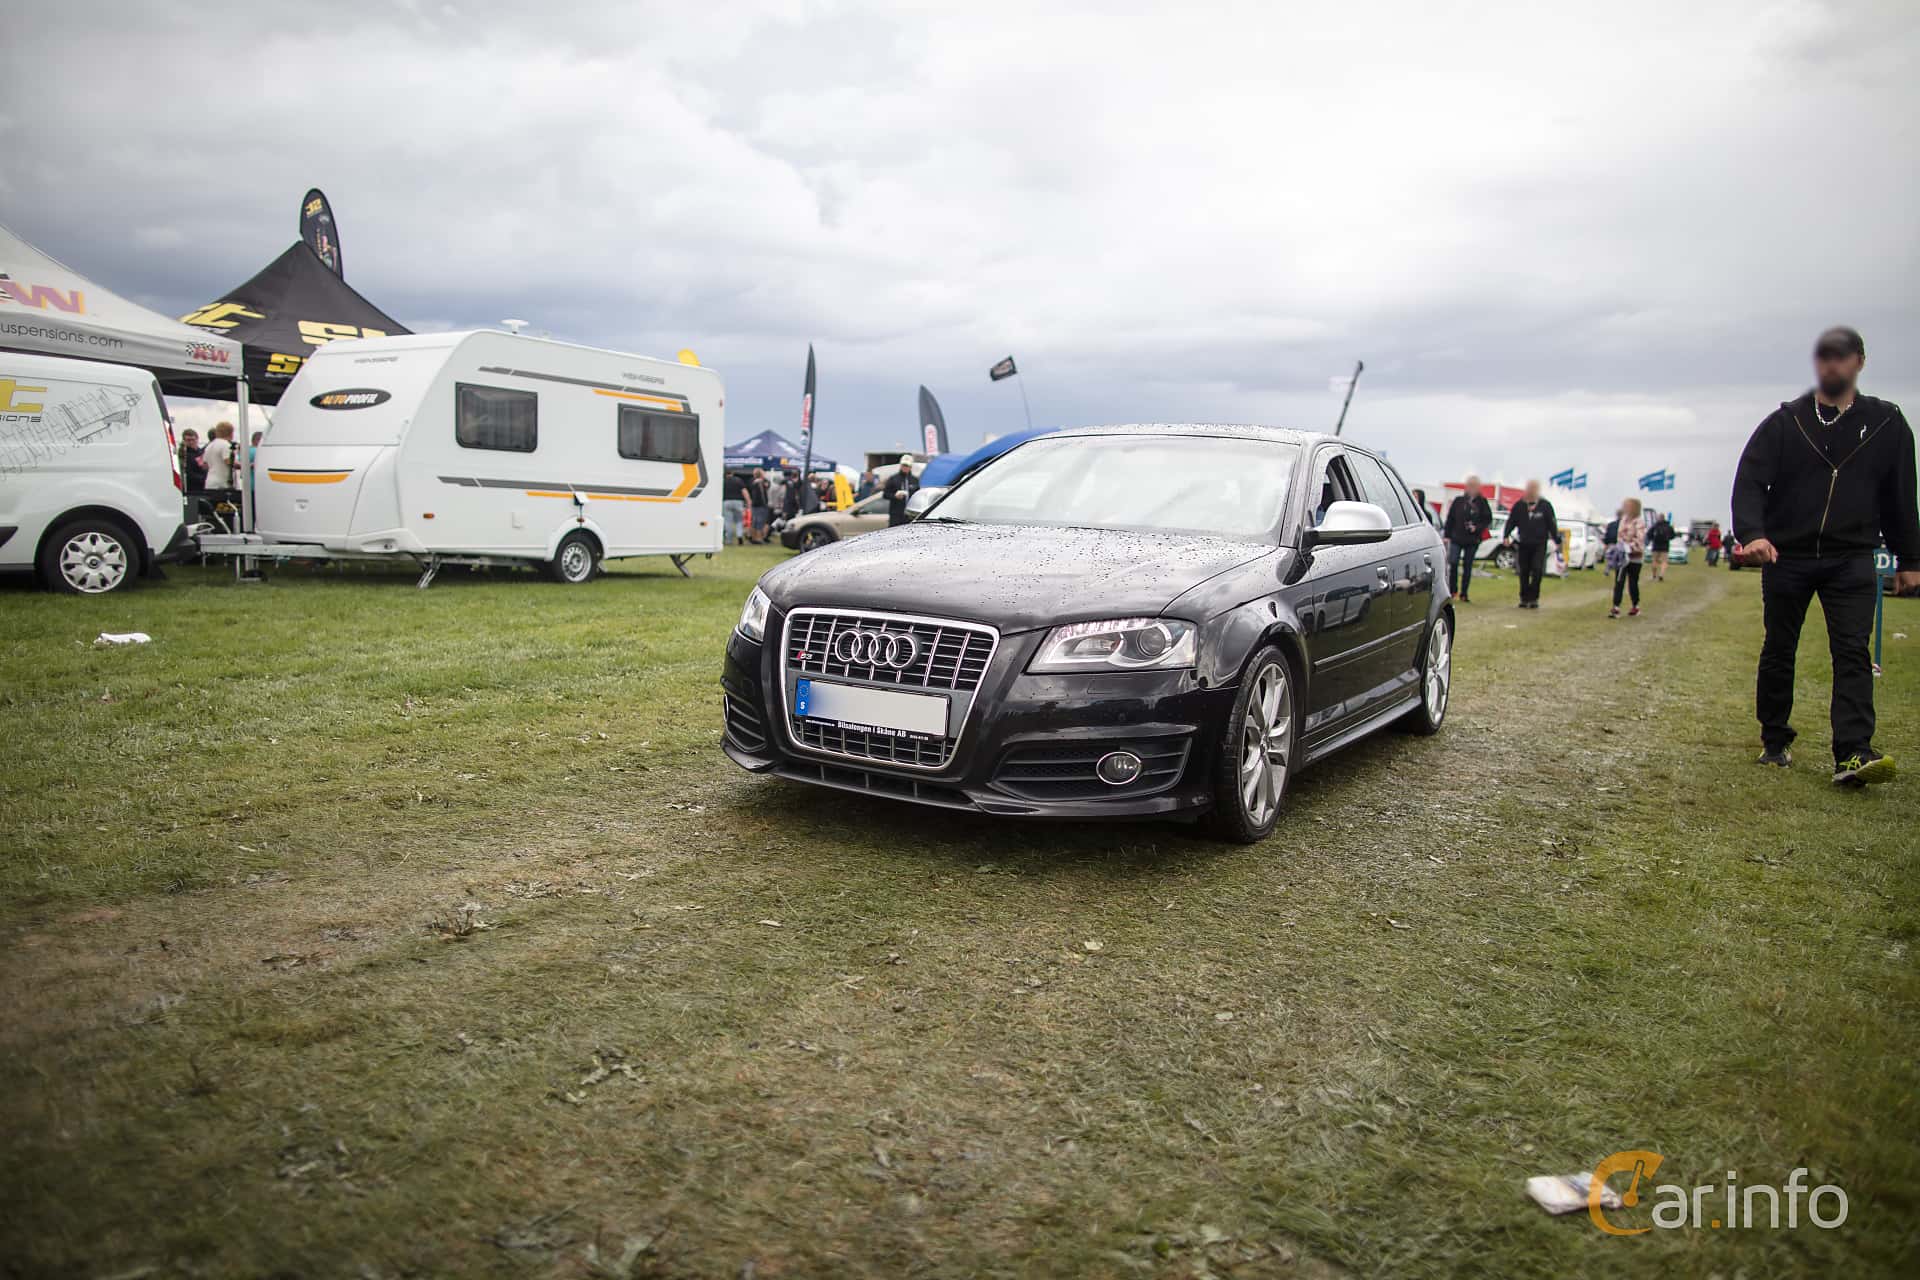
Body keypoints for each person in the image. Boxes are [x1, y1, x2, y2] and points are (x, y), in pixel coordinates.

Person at [1732, 325, 1920, 784]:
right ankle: (1775, 739)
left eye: (1841, 357)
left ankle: (1853, 753)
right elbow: (1750, 481)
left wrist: (1910, 559)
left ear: (1859, 362)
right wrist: (1753, 534)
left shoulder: (1886, 423)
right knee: (1779, 647)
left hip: (1852, 557)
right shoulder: (1786, 421)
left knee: (1852, 651)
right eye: (1824, 357)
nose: (1831, 365)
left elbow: (1901, 496)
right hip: (1787, 557)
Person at [1502, 479, 1559, 609]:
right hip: (1524, 543)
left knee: (1537, 569)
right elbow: (1511, 521)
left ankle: (1534, 597)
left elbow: (1552, 524)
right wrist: (1505, 535)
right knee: (1524, 571)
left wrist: (1557, 540)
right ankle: (1524, 597)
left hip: (1539, 543)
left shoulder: (1545, 506)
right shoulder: (1519, 506)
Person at [1442, 475, 1491, 602]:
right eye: (1470, 485)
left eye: (1475, 486)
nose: (1472, 488)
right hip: (1457, 537)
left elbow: (1487, 519)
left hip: (1472, 540)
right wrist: (1447, 535)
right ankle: (1453, 591)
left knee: (1468, 566)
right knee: (1453, 563)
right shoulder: (1459, 501)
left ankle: (1464, 593)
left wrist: (1477, 528)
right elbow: (1450, 519)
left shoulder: (1482, 503)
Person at [1608, 497, 1646, 619]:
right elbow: (1619, 536)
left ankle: (1635, 605)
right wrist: (1620, 547)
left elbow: (1640, 539)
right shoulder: (1623, 520)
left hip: (1635, 557)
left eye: (1627, 506)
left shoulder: (1639, 522)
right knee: (1619, 581)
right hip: (1622, 556)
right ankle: (1616, 607)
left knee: (1633, 582)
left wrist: (1629, 546)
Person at [883, 454, 919, 526]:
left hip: (910, 515)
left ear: (910, 467)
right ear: (900, 465)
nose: (905, 467)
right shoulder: (893, 479)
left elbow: (917, 495)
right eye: (903, 465)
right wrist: (894, 496)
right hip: (896, 515)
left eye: (907, 466)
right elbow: (885, 494)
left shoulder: (915, 480)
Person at [1647, 511, 1675, 581]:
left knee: (1654, 561)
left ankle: (1654, 575)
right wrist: (1668, 538)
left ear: (1658, 518)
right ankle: (1661, 575)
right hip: (1665, 546)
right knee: (1664, 561)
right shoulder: (1668, 526)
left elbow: (1648, 534)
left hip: (1655, 546)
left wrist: (1652, 539)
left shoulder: (1655, 525)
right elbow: (1673, 535)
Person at [722, 472, 748, 545]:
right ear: (732, 473)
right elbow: (744, 491)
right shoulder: (738, 480)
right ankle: (739, 536)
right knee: (739, 521)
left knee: (728, 522)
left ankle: (729, 540)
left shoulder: (723, 481)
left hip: (726, 502)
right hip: (738, 502)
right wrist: (748, 501)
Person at [177, 428, 207, 493]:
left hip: (204, 487)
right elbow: (188, 473)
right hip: (192, 489)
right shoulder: (184, 455)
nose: (191, 442)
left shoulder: (201, 452)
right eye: (188, 440)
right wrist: (204, 479)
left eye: (193, 440)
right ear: (184, 441)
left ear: (197, 439)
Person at [748, 468, 771, 544]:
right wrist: (765, 504)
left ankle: (753, 537)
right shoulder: (761, 483)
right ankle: (758, 539)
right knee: (760, 522)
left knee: (754, 522)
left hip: (754, 505)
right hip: (761, 505)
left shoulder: (753, 482)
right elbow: (762, 496)